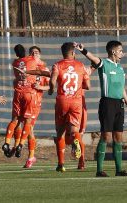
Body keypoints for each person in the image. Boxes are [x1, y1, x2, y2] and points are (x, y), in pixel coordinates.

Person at [75, 40, 127, 177]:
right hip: (107, 103)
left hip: (119, 104)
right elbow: (93, 58)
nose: (122, 53)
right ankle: (99, 170)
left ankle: (119, 170)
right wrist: (83, 50)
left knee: (118, 137)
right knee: (106, 136)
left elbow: (122, 88)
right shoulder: (104, 64)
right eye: (120, 51)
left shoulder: (120, 68)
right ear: (113, 52)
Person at [49, 42, 90, 172]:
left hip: (62, 100)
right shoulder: (81, 65)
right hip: (76, 101)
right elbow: (88, 86)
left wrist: (51, 90)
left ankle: (61, 164)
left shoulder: (57, 65)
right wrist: (77, 85)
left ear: (63, 53)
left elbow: (52, 81)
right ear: (73, 53)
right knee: (74, 132)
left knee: (60, 133)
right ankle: (81, 163)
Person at [2, 44, 38, 158]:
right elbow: (35, 60)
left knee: (14, 120)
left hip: (18, 93)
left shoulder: (15, 63)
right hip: (29, 93)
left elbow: (21, 64)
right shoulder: (32, 59)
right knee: (28, 121)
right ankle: (21, 145)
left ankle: (7, 142)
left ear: (16, 54)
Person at [23, 46, 50, 168]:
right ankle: (30, 156)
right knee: (28, 129)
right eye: (32, 52)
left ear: (40, 55)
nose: (34, 54)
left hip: (36, 102)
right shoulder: (27, 68)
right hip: (26, 100)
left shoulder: (44, 68)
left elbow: (51, 86)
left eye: (36, 52)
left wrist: (41, 87)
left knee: (29, 127)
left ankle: (30, 156)